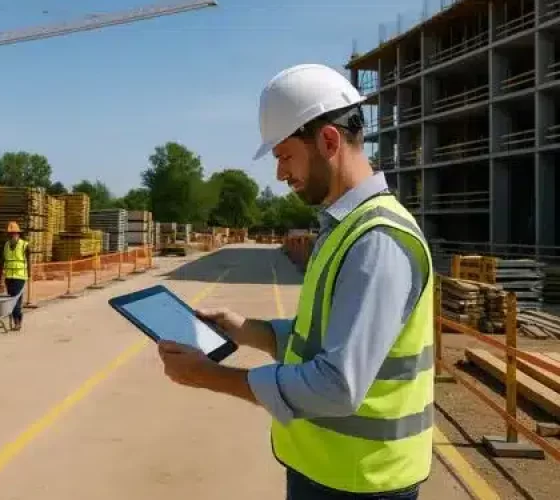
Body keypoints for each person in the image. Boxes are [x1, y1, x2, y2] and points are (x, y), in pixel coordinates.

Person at [157, 63, 434, 499]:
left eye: (285, 156)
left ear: (327, 141)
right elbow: (324, 339)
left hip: (362, 482)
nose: (281, 174)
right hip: (326, 472)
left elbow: (337, 384)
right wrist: (248, 330)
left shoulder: (378, 240)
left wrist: (211, 376)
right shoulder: (344, 228)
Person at [0, 221, 29, 330]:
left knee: (15, 299)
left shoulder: (24, 245)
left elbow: (29, 261)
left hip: (20, 277)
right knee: (12, 299)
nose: (12, 236)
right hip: (9, 277)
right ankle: (17, 320)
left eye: (14, 233)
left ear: (18, 234)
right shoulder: (6, 245)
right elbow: (1, 262)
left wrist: (30, 275)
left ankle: (17, 321)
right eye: (10, 234)